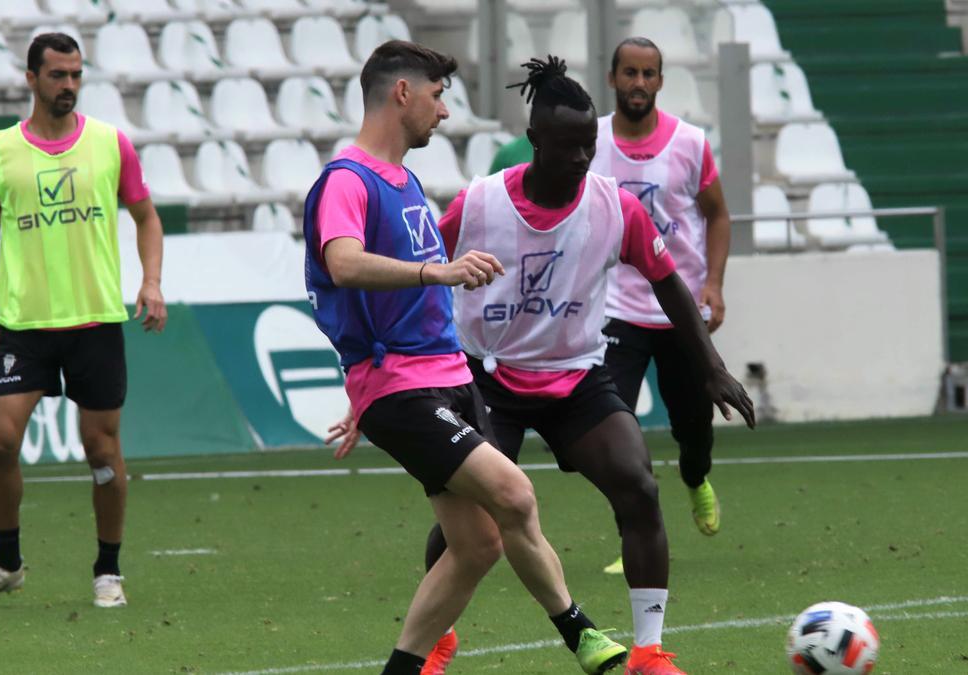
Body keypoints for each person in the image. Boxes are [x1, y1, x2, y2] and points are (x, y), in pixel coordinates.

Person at [422, 56, 756, 675]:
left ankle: (649, 653)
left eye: (588, 146)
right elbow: (420, 276)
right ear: (534, 141)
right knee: (466, 522)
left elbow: (669, 285)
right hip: (489, 378)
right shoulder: (479, 205)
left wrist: (709, 366)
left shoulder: (614, 207)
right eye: (567, 146)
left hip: (576, 374)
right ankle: (435, 643)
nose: (581, 158)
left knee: (640, 486)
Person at [307, 41, 627, 675]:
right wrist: (439, 272)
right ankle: (582, 634)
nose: (445, 111)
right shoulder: (348, 179)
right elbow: (342, 263)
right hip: (403, 387)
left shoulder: (403, 180)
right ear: (402, 94)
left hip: (446, 377)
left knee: (477, 544)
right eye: (437, 95)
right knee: (514, 492)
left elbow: (385, 301)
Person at [0, 33, 167, 609]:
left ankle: (108, 570)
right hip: (24, 325)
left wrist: (150, 281)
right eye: (57, 75)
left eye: (76, 74)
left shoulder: (110, 144)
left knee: (101, 452)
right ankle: (6, 561)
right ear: (31, 79)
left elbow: (147, 218)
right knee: (0, 443)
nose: (69, 85)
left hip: (96, 322)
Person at [592, 37, 735, 576]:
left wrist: (715, 284)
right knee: (612, 431)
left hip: (680, 311)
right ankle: (634, 535)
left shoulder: (691, 143)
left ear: (660, 80)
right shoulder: (594, 140)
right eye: (629, 73)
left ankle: (696, 478)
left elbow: (718, 215)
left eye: (649, 74)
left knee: (695, 427)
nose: (639, 84)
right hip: (615, 308)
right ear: (612, 78)